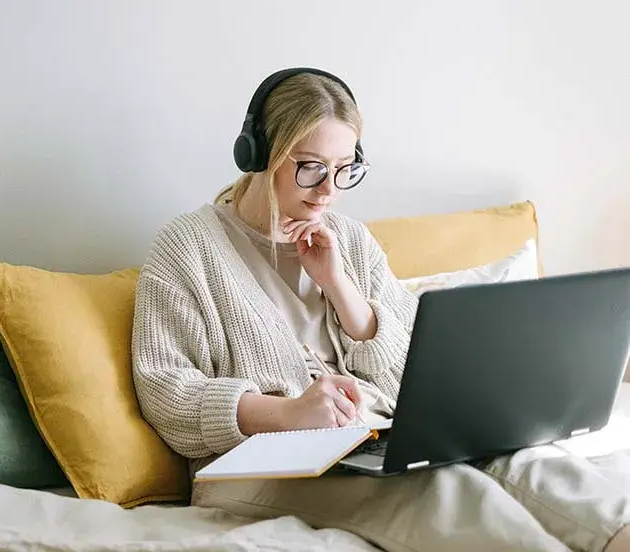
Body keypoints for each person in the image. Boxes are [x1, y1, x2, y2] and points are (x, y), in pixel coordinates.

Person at [131, 67, 630, 552]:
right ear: (260, 154)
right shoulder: (187, 248)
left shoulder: (348, 239)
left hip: (374, 438)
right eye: (310, 167)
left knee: (535, 464)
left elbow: (413, 368)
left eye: (343, 169)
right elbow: (166, 390)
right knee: (449, 496)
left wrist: (340, 287)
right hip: (253, 466)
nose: (328, 189)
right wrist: (287, 413)